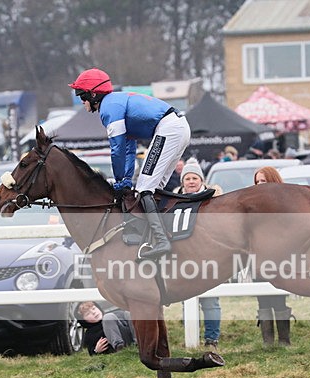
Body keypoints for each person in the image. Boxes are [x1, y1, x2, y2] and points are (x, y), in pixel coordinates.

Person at [69, 68, 191, 261]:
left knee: (144, 189)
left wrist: (119, 181)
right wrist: (125, 178)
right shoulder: (115, 102)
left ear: (93, 94)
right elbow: (129, 147)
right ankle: (162, 235)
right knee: (154, 188)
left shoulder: (108, 108)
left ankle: (161, 241)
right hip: (177, 127)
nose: (81, 101)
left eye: (81, 95)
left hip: (169, 129)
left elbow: (117, 148)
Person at [177, 159, 222, 349]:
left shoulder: (213, 201)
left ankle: (212, 339)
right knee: (187, 301)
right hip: (182, 259)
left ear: (201, 180)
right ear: (182, 181)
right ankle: (191, 338)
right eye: (187, 178)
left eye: (195, 177)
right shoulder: (174, 201)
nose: (191, 181)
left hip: (208, 257)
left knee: (210, 301)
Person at [252, 166, 293, 346]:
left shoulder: (285, 203)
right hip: (258, 259)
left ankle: (284, 341)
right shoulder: (252, 204)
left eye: (264, 181)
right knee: (263, 301)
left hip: (280, 258)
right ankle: (267, 342)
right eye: (258, 182)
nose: (260, 185)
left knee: (279, 300)